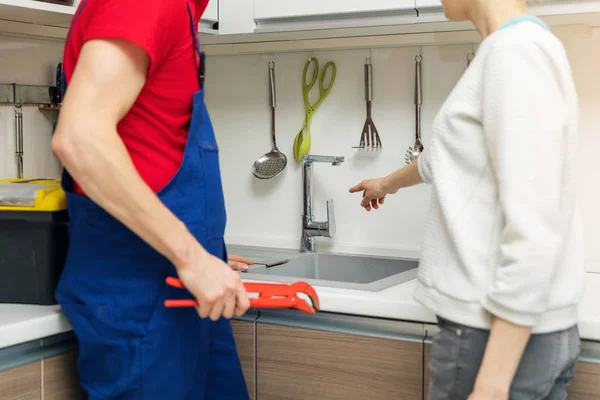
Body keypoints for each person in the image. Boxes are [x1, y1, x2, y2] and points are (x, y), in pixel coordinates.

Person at [350, 0, 583, 399]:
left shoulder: (514, 53)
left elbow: (535, 229)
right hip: (523, 335)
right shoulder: (515, 48)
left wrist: (492, 383)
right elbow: (451, 156)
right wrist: (387, 183)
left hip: (493, 338)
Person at [51, 0, 254, 398]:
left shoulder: (182, 11)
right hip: (142, 301)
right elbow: (80, 138)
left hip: (182, 291)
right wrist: (190, 256)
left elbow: (149, 148)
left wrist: (196, 246)